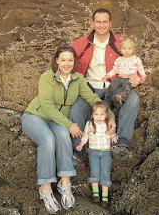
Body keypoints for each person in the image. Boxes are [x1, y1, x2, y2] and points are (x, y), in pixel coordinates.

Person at [21, 46, 115, 214]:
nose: (66, 63)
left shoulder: (78, 79)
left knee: (63, 135)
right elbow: (47, 106)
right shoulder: (47, 77)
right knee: (48, 139)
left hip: (58, 121)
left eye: (70, 60)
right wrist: (70, 124)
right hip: (35, 117)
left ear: (74, 62)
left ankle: (65, 184)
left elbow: (93, 99)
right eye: (62, 60)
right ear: (56, 61)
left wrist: (111, 117)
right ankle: (45, 189)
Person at [70, 8, 143, 169]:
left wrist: (137, 79)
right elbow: (68, 63)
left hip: (114, 86)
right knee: (75, 109)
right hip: (88, 88)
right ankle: (78, 154)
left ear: (110, 23)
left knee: (133, 98)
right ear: (92, 23)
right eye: (98, 21)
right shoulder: (80, 43)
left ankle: (120, 145)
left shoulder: (119, 42)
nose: (101, 25)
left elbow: (132, 63)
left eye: (105, 22)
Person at [76, 101, 118, 208]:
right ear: (92, 115)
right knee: (94, 171)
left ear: (106, 115)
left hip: (105, 152)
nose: (99, 117)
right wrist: (81, 144)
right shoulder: (89, 124)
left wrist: (113, 137)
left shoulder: (107, 123)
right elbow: (85, 136)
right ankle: (95, 194)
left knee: (105, 171)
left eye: (102, 114)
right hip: (93, 152)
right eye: (96, 114)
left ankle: (104, 197)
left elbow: (112, 133)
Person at [102, 34, 146, 108]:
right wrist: (108, 75)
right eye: (124, 48)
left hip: (129, 78)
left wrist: (143, 76)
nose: (126, 51)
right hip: (119, 77)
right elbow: (114, 70)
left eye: (129, 49)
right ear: (120, 49)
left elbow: (140, 69)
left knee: (126, 87)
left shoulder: (136, 59)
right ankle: (107, 102)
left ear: (133, 49)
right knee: (111, 87)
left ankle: (121, 97)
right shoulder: (119, 60)